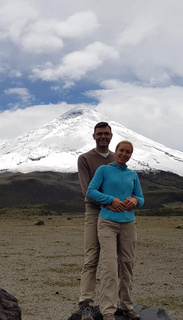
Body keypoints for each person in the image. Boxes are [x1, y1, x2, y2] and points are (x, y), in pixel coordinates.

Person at [86, 140, 144, 320]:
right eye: (121, 150)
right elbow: (91, 191)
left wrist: (135, 201)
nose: (124, 154)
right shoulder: (103, 170)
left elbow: (141, 198)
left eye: (128, 152)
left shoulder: (132, 174)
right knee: (109, 266)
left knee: (127, 264)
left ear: (130, 155)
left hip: (128, 223)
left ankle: (126, 306)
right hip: (107, 223)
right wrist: (111, 200)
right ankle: (108, 310)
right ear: (116, 151)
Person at [77, 122, 116, 319]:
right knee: (92, 256)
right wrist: (109, 202)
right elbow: (87, 189)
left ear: (111, 136)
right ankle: (85, 303)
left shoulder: (117, 158)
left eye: (106, 134)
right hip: (94, 211)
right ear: (94, 136)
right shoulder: (85, 159)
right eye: (99, 134)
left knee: (113, 260)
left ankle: (112, 303)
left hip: (115, 213)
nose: (103, 137)